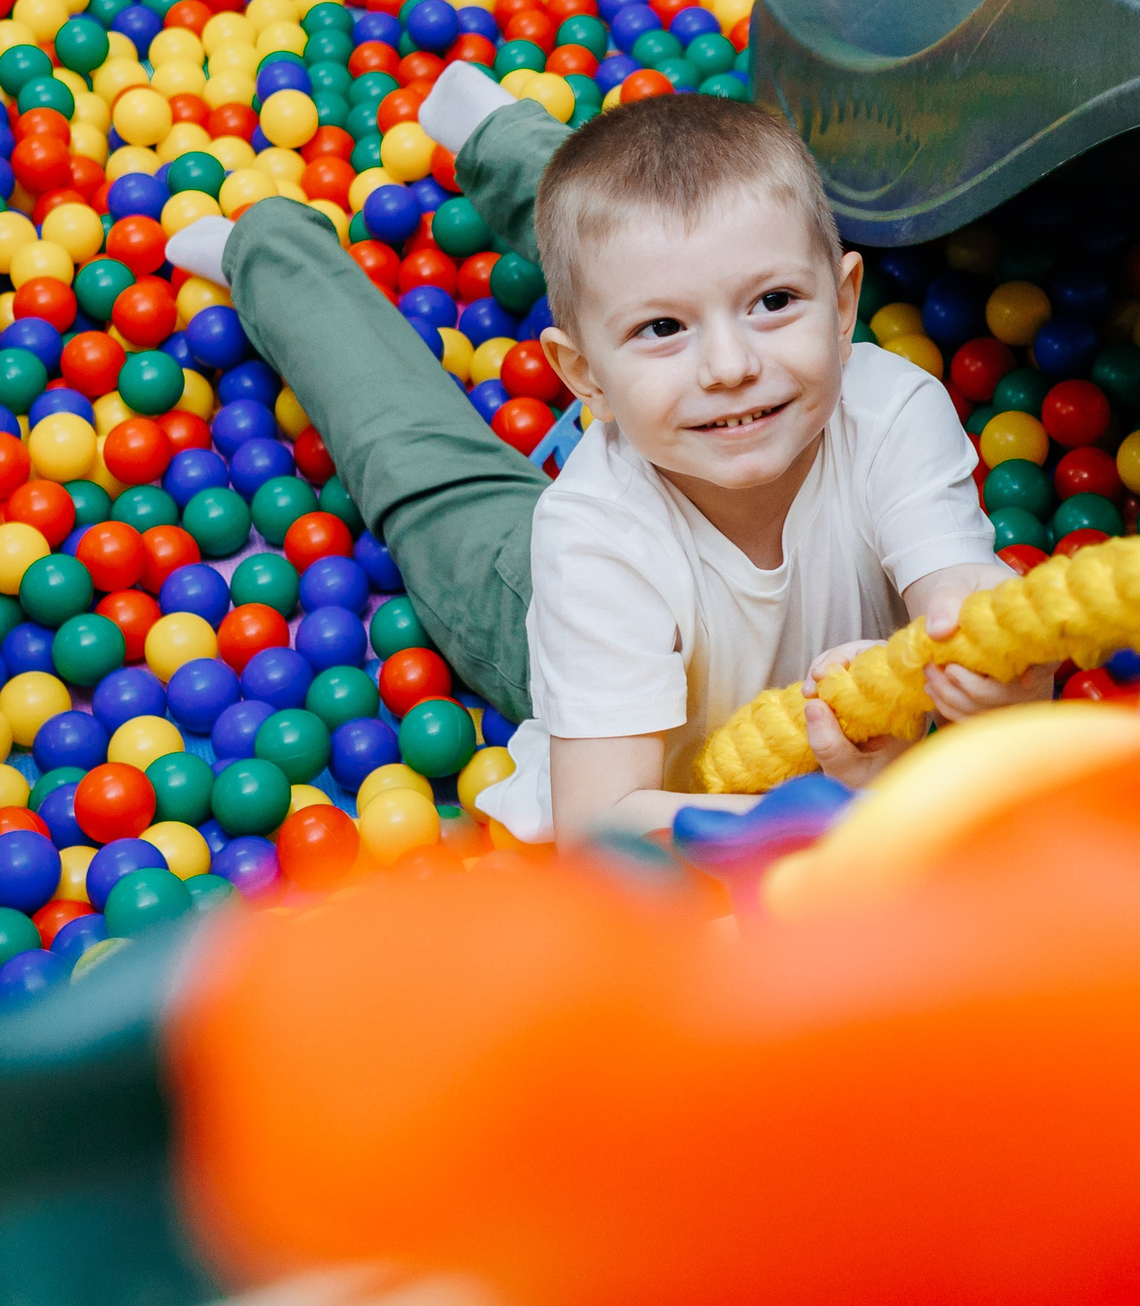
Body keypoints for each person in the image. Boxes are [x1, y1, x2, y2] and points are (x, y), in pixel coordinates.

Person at [169, 70, 1050, 844]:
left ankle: (497, 134)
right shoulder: (588, 537)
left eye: (775, 300)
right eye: (662, 330)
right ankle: (272, 245)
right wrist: (834, 818)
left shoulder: (892, 409)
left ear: (844, 304)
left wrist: (996, 659)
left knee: (647, 229)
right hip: (564, 633)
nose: (732, 366)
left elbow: (954, 589)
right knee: (415, 452)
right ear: (581, 373)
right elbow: (606, 825)